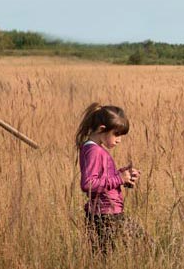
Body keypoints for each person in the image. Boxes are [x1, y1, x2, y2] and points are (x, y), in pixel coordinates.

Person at [76, 103, 142, 255]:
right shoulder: (93, 151)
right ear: (101, 129)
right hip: (104, 216)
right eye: (116, 134)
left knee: (106, 257)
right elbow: (88, 184)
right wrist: (119, 178)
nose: (119, 140)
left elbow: (102, 178)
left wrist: (123, 175)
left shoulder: (95, 149)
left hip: (108, 213)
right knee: (146, 247)